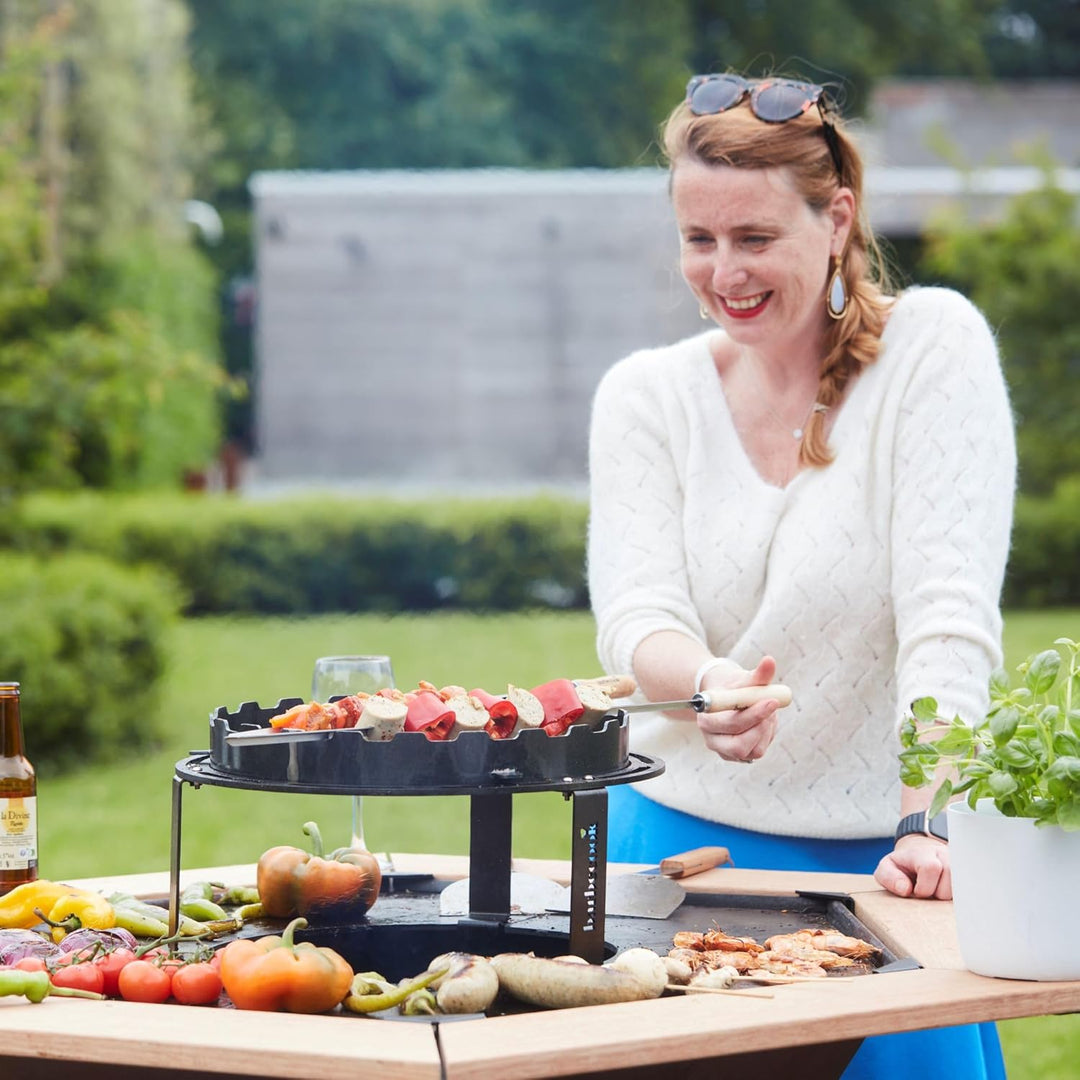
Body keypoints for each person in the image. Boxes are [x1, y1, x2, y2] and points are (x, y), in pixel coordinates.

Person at [587, 72, 1015, 1080]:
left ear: (837, 221)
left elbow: (948, 621)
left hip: (884, 867)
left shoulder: (931, 351)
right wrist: (706, 684)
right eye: (700, 239)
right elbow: (637, 615)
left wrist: (929, 821)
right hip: (670, 857)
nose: (723, 270)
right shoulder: (646, 397)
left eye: (754, 238)